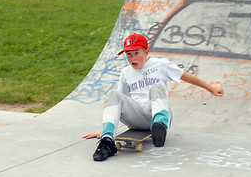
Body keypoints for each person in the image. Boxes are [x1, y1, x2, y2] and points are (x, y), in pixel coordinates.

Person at [83, 33, 224, 161]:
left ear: (146, 52)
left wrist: (210, 88)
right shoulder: (126, 73)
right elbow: (118, 103)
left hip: (156, 111)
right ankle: (107, 142)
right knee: (113, 93)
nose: (133, 58)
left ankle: (159, 127)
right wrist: (105, 128)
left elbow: (186, 76)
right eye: (129, 54)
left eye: (137, 53)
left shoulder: (161, 65)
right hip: (136, 117)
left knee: (156, 87)